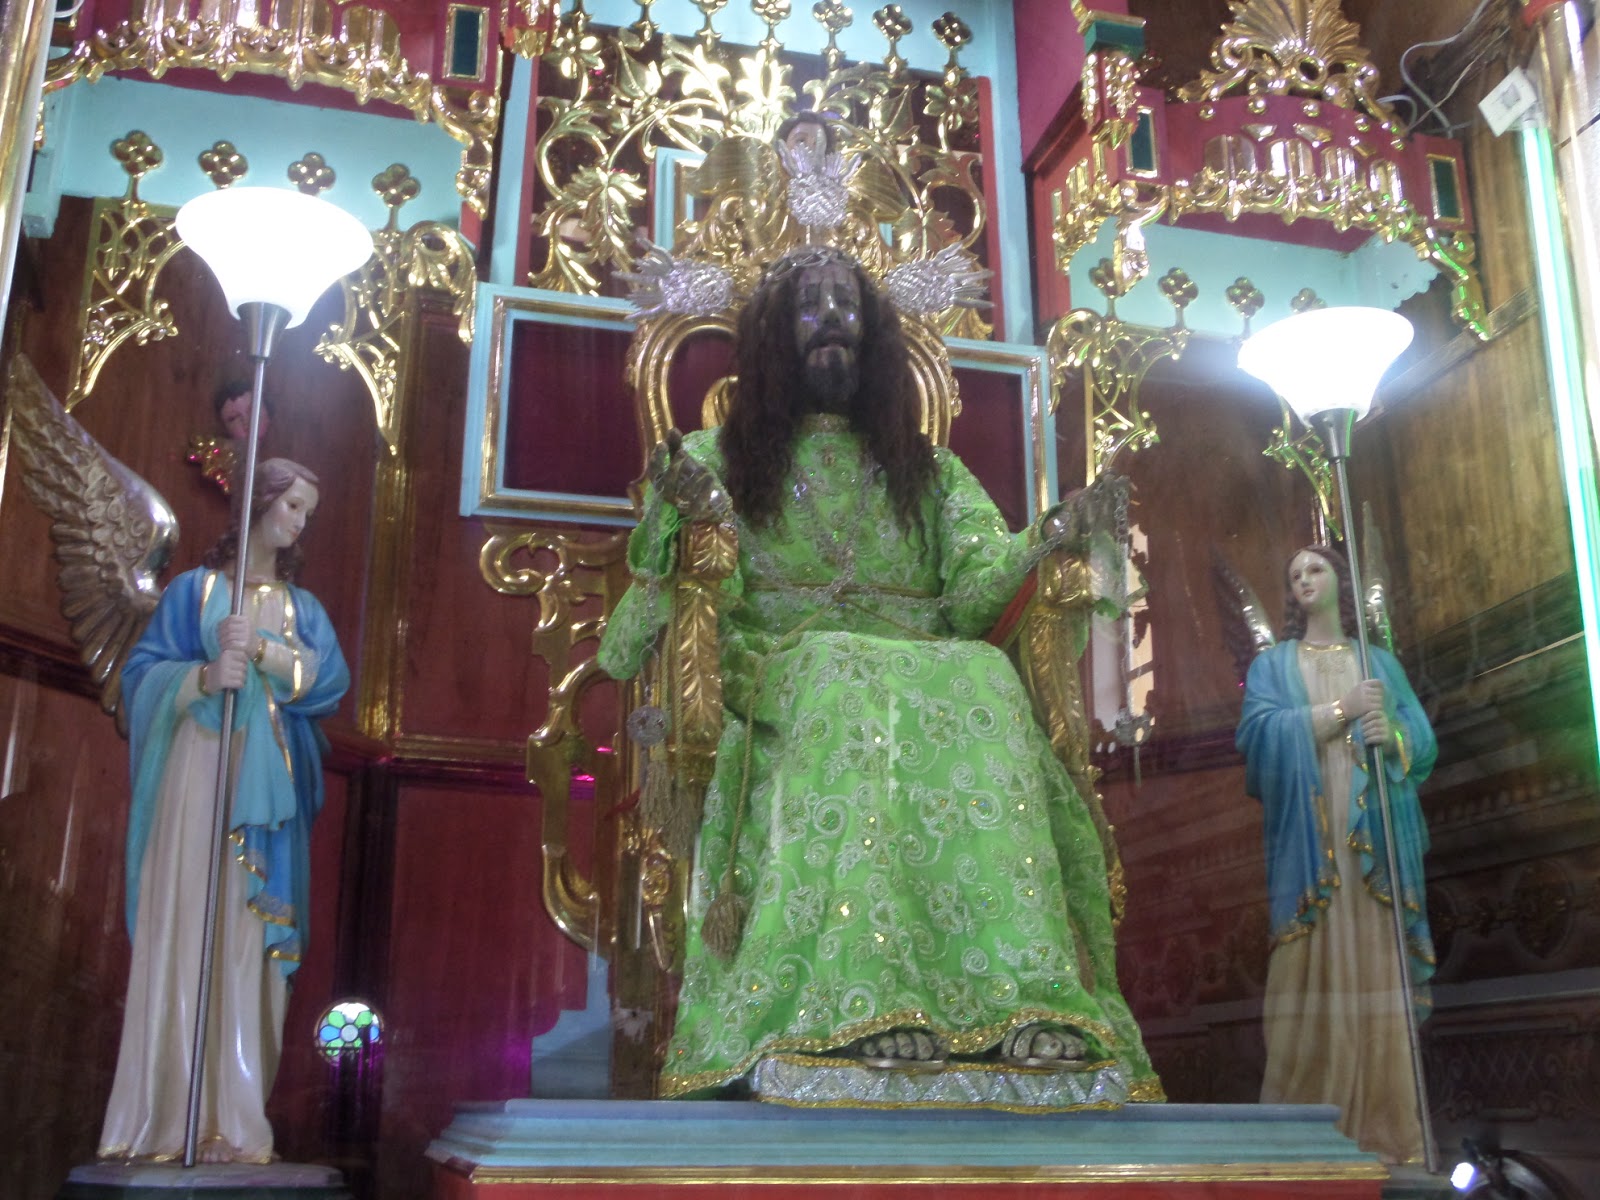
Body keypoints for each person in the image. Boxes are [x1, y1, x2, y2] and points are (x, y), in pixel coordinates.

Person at [599, 246, 1160, 1107]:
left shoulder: (929, 472)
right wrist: (690, 512)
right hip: (780, 670)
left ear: (878, 338)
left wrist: (1054, 531)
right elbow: (675, 594)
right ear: (774, 338)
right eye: (809, 305)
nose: (831, 317)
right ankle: (853, 1001)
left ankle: (1022, 1002)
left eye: (848, 304)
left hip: (928, 671)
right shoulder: (717, 458)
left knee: (986, 675)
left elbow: (975, 592)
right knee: (841, 671)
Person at [99, 457, 349, 1163]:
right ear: (260, 502)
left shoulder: (303, 610)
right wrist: (202, 677)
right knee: (186, 922)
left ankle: (235, 1123)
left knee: (249, 940)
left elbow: (328, 683)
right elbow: (140, 679)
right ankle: (165, 1118)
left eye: (307, 512)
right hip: (197, 778)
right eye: (292, 505)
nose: (299, 522)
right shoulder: (195, 592)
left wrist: (264, 651)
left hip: (267, 800)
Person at [1235, 545, 1436, 1163]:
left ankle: (1385, 1129)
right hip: (1309, 847)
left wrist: (1392, 737)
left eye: (1315, 568)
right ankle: (1301, 1140)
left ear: (1339, 581)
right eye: (1294, 573)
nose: (1303, 579)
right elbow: (1256, 740)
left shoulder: (1378, 662)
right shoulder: (1273, 666)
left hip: (1373, 844)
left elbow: (1421, 738)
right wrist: (1337, 712)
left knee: (1376, 966)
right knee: (1307, 971)